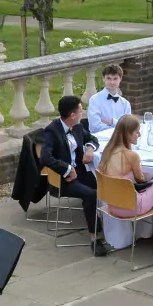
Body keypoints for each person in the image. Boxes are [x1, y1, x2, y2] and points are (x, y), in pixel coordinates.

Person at [39, 96, 104, 254]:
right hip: (63, 179)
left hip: (80, 171)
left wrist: (89, 149)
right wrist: (67, 169)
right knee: (91, 194)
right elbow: (45, 157)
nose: (83, 113)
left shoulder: (77, 126)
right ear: (72, 115)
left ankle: (108, 225)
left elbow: (92, 138)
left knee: (105, 185)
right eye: (81, 111)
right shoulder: (52, 131)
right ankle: (94, 237)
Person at [98, 114, 153, 252]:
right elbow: (141, 180)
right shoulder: (131, 156)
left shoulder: (106, 152)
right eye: (137, 132)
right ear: (127, 134)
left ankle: (151, 233)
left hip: (112, 205)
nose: (139, 135)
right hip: (130, 207)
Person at [86, 63, 132, 135]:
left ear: (120, 79)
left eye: (115, 78)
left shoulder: (125, 103)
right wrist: (118, 126)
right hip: (100, 139)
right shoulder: (94, 100)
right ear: (103, 79)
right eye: (108, 78)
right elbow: (95, 127)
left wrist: (112, 122)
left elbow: (128, 126)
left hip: (121, 140)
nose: (112, 82)